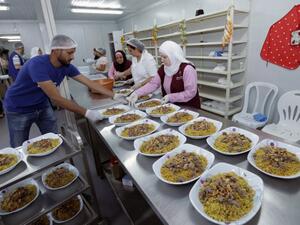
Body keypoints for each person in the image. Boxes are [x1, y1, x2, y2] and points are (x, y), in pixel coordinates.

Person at [4, 34, 124, 147]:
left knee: (54, 140)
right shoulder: (37, 64)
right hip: (18, 108)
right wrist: (87, 112)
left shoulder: (66, 66)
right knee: (18, 146)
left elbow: (90, 83)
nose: (73, 56)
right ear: (56, 51)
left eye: (73, 52)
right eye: (69, 53)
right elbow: (57, 99)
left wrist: (114, 95)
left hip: (41, 105)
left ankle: (58, 167)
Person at [127, 40, 200, 109]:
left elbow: (190, 92)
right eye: (161, 57)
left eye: (164, 57)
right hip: (172, 107)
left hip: (189, 107)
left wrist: (171, 97)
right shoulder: (163, 68)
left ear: (174, 56)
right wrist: (137, 93)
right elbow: (153, 84)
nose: (162, 60)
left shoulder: (187, 69)